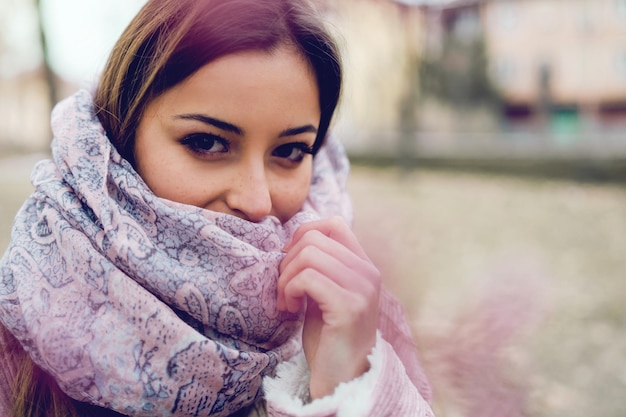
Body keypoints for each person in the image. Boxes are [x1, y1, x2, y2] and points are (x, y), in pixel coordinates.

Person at [0, 0, 434, 415]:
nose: (257, 201)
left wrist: (347, 390)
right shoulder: (21, 316)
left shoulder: (347, 308)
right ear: (120, 141)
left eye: (291, 151)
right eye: (206, 143)